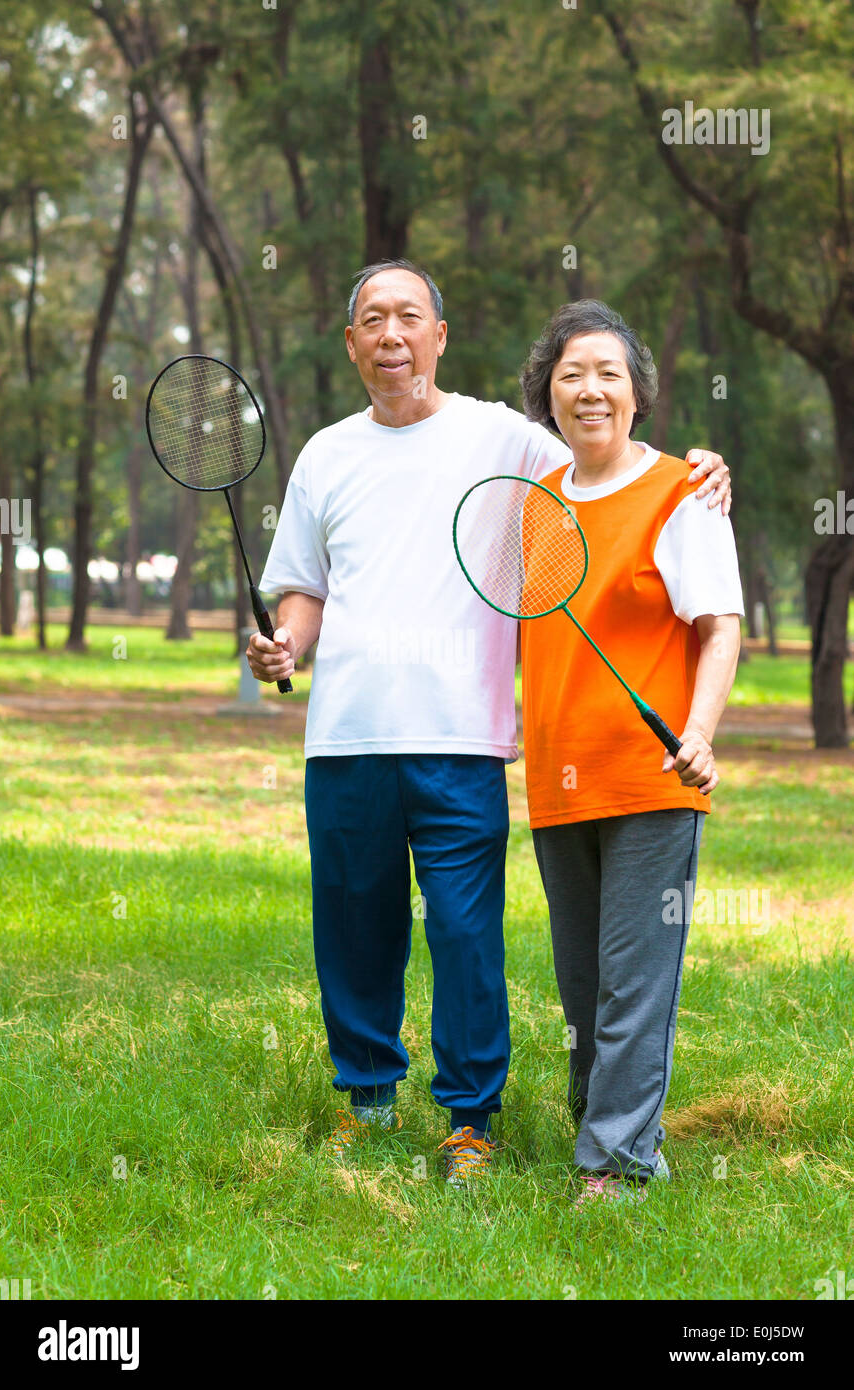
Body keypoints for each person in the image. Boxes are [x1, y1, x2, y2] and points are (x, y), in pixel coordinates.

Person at [247, 261, 732, 1187]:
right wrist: (285, 646)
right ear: (352, 344)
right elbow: (303, 589)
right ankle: (369, 1097)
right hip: (345, 735)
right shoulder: (324, 454)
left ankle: (472, 1119)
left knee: (465, 932)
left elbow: (614, 464)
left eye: (410, 318)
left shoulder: (505, 438)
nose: (392, 335)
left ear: (440, 335)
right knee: (352, 922)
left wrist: (705, 470)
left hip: (463, 738)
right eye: (372, 321)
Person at [518, 299, 743, 1206]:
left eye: (608, 372)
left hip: (650, 780)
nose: (590, 389)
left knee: (633, 986)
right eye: (571, 374)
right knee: (584, 989)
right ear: (549, 396)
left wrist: (699, 735)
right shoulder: (534, 506)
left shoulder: (683, 492)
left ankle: (616, 1167)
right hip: (556, 782)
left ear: (638, 393)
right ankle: (611, 1130)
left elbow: (719, 628)